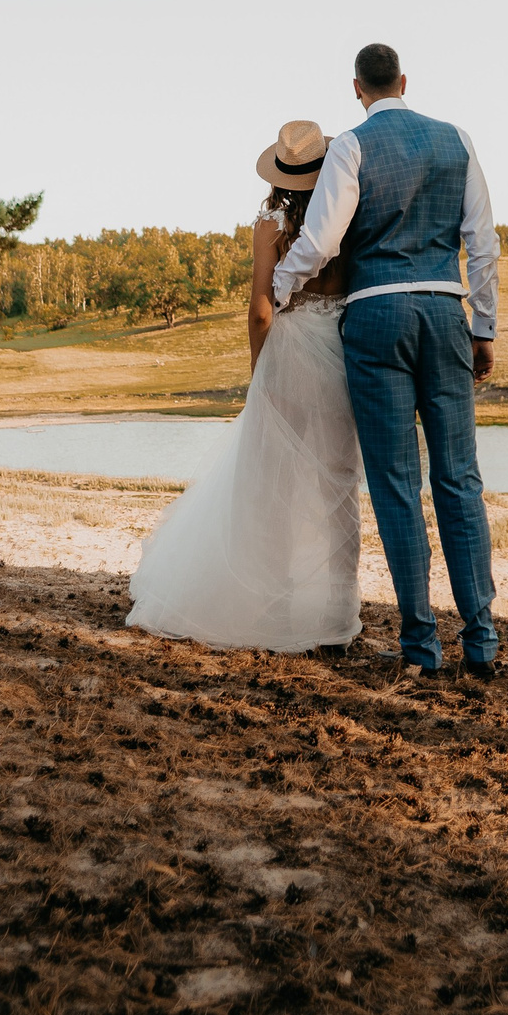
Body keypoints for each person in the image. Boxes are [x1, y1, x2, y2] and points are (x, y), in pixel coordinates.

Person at [272, 43, 501, 683]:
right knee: (460, 480)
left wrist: (280, 288)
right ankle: (481, 641)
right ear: (404, 80)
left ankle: (421, 648)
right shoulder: (457, 140)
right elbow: (482, 244)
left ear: (357, 89)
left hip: (376, 319)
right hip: (444, 311)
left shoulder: (351, 145)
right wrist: (483, 327)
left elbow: (320, 241)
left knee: (397, 486)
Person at [125, 120, 365, 653]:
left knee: (274, 485)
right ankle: (339, 616)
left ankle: (277, 603)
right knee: (339, 485)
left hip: (290, 356)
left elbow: (261, 309)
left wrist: (260, 376)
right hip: (341, 355)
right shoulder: (349, 217)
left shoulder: (271, 223)